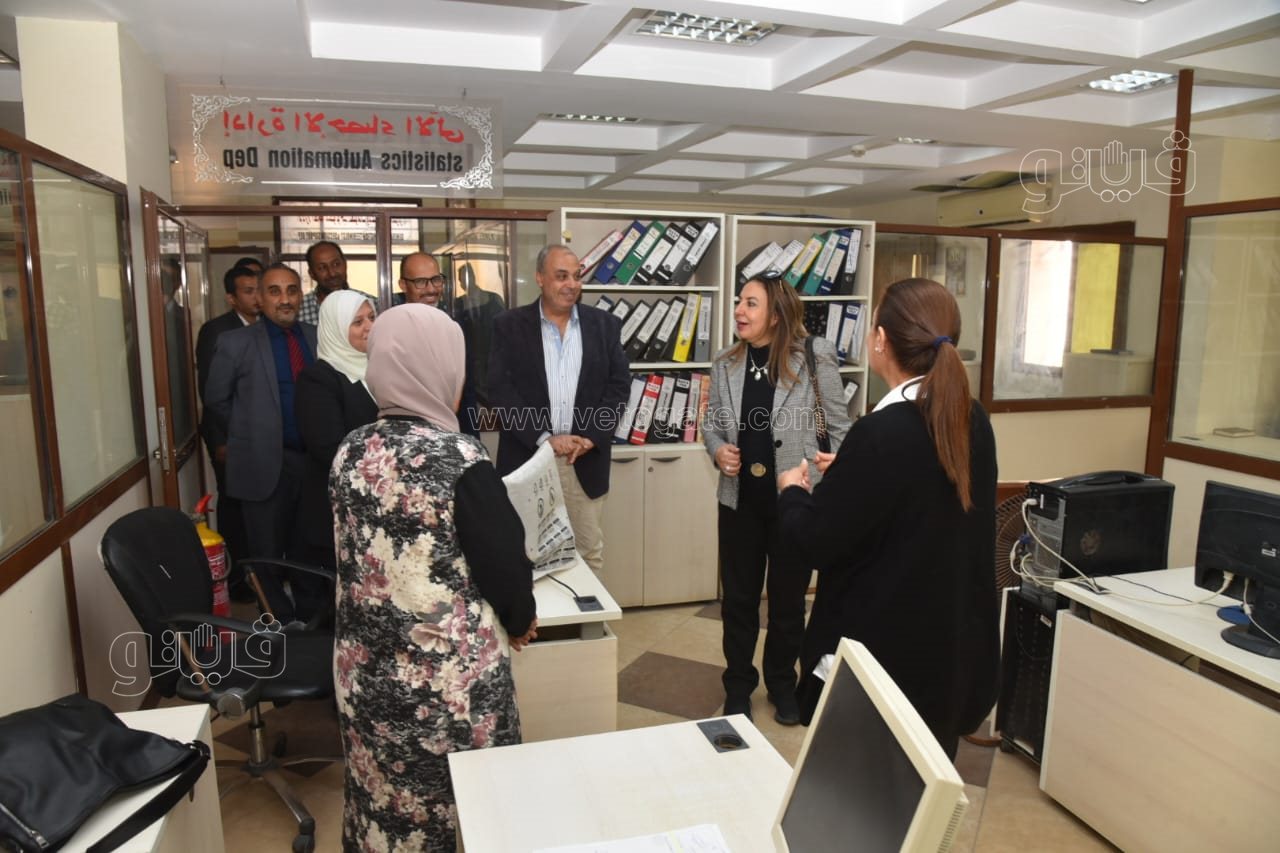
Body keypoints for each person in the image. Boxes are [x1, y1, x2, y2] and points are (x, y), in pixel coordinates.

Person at [331, 303, 538, 852]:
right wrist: (520, 620)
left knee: (382, 802)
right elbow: (504, 564)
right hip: (444, 690)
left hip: (364, 676)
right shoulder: (460, 458)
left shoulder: (351, 450)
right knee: (464, 810)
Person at [776, 277, 999, 759]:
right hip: (946, 659)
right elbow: (923, 499)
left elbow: (815, 540)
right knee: (925, 788)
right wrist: (853, 472)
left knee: (857, 790)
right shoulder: (973, 419)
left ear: (880, 340)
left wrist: (793, 492)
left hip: (880, 669)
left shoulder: (880, 433)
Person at [703, 273, 851, 726]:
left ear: (775, 313)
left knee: (787, 604)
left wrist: (821, 475)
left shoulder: (814, 357)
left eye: (750, 303)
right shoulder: (725, 362)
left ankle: (783, 684)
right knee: (739, 602)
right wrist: (718, 451)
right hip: (740, 503)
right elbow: (712, 425)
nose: (739, 311)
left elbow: (839, 430)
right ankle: (738, 686)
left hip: (794, 506)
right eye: (738, 302)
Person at [487, 244, 630, 573]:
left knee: (587, 554)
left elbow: (619, 387)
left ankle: (584, 611)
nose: (572, 284)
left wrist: (591, 437)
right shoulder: (508, 325)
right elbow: (501, 391)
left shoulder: (605, 325)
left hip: (584, 460)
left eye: (577, 276)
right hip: (529, 458)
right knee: (524, 554)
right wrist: (544, 439)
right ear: (540, 278)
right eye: (561, 276)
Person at [204, 263, 317, 621]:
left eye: (292, 290)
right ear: (260, 299)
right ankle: (277, 621)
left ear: (301, 295)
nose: (285, 299)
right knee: (265, 553)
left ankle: (312, 621)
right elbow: (216, 400)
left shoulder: (316, 337)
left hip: (311, 464)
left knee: (308, 549)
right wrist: (252, 434)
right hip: (262, 464)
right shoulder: (235, 342)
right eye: (274, 291)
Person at [293, 290, 378, 612]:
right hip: (336, 512)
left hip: (374, 507)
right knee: (340, 607)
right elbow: (330, 447)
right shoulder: (318, 379)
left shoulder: (380, 368)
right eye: (357, 322)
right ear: (335, 329)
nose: (369, 327)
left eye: (371, 317)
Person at [195, 264, 261, 602]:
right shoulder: (217, 331)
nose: (256, 297)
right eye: (248, 291)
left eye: (259, 289)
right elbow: (213, 393)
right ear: (232, 298)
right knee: (234, 507)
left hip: (259, 438)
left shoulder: (265, 327)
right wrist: (222, 441)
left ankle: (260, 574)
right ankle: (235, 579)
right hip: (229, 438)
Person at [299, 240, 350, 325]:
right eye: (322, 268)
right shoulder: (299, 310)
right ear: (312, 274)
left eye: (336, 264)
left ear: (345, 264)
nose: (332, 274)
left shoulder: (369, 303)